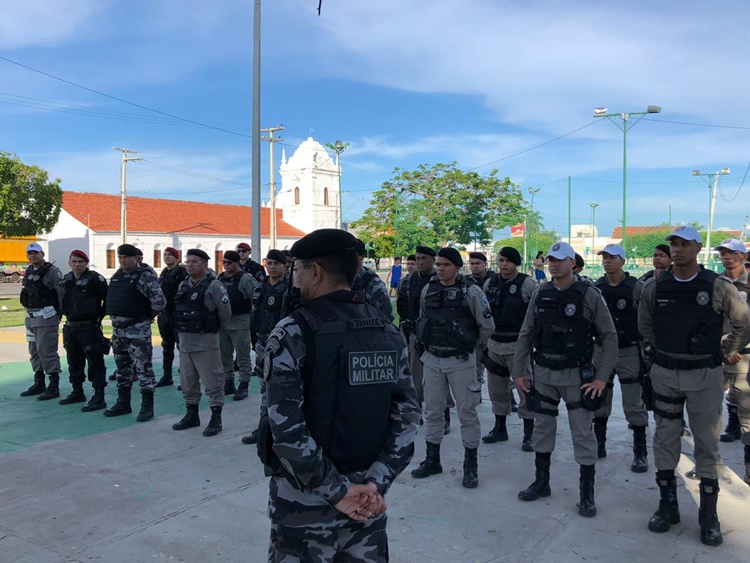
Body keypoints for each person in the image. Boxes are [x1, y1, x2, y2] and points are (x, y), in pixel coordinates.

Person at [260, 229, 419, 562]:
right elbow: (407, 416)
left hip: (305, 505)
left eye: (298, 269)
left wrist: (339, 491)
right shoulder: (386, 331)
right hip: (368, 502)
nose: (295, 279)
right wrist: (375, 482)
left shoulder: (293, 331)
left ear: (315, 272)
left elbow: (286, 430)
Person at [638, 226, 750, 546]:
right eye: (673, 244)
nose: (677, 249)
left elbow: (744, 323)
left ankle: (709, 515)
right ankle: (667, 506)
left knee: (706, 442)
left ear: (698, 248)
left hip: (704, 374)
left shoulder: (716, 286)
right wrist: (664, 349)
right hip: (665, 372)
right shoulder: (655, 286)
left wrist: (723, 349)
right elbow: (645, 323)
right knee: (665, 438)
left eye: (684, 244)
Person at [513, 241, 618, 518]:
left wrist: (602, 378)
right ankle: (542, 482)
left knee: (582, 432)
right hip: (544, 373)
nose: (554, 264)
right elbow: (526, 333)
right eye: (551, 259)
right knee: (542, 427)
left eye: (560, 260)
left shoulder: (589, 294)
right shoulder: (541, 293)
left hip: (577, 376)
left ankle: (586, 494)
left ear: (572, 263)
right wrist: (519, 372)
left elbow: (609, 336)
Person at [410, 247, 495, 488]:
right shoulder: (428, 289)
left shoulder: (471, 292)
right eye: (438, 264)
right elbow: (423, 319)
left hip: (461, 361)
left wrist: (469, 346)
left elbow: (487, 327)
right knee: (433, 411)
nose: (440, 269)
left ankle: (470, 466)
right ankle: (432, 460)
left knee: (467, 413)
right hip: (432, 359)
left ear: (457, 267)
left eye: (446, 265)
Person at [591, 244, 649, 471]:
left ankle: (640, 452)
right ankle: (599, 444)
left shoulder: (636, 287)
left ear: (623, 261)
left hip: (628, 350)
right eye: (604, 257)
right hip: (602, 350)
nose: (607, 261)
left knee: (634, 402)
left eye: (612, 257)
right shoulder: (596, 288)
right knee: (599, 398)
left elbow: (648, 318)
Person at [171, 249, 232, 437]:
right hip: (185, 343)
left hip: (206, 343)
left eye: (194, 261)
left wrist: (212, 329)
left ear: (205, 265)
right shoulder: (183, 285)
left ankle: (216, 418)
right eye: (188, 261)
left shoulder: (214, 286)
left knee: (213, 382)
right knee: (188, 383)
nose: (189, 264)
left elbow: (225, 313)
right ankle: (192, 415)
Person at [481, 247, 537, 450]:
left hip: (518, 347)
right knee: (497, 390)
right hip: (495, 344)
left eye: (508, 261)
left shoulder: (527, 284)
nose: (504, 264)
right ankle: (500, 428)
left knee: (525, 390)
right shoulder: (490, 282)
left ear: (516, 264)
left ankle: (529, 433)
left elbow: (536, 314)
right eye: (501, 260)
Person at [104, 244, 167, 421]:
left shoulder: (145, 276)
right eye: (120, 257)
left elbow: (159, 303)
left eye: (126, 257)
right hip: (119, 331)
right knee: (122, 369)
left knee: (143, 369)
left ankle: (147, 407)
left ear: (135, 258)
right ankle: (123, 403)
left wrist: (145, 318)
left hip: (137, 331)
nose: (122, 261)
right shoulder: (118, 275)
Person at [402, 246, 454, 433]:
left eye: (424, 258)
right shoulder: (410, 280)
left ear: (433, 260)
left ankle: (445, 415)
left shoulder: (441, 279)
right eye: (417, 259)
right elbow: (403, 305)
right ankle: (417, 413)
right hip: (416, 335)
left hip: (437, 335)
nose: (420, 262)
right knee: (415, 377)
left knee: (440, 378)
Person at [242, 250, 290, 445]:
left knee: (286, 387)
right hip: (263, 343)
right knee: (264, 386)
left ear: (285, 266)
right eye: (269, 263)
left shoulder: (291, 288)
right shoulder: (260, 286)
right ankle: (264, 428)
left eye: (276, 263)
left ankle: (284, 428)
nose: (272, 267)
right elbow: (255, 313)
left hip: (284, 345)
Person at [59, 250, 109, 411]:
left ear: (86, 263)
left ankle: (99, 396)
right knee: (73, 360)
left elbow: (107, 300)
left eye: (81, 262)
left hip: (89, 327)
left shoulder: (95, 278)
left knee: (95, 360)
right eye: (74, 262)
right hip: (71, 326)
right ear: (69, 263)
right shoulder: (67, 279)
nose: (77, 265)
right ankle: (77, 392)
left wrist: (98, 317)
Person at [714, 239, 750, 458]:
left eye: (732, 253)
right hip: (719, 352)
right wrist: (725, 348)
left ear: (743, 256)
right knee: (711, 406)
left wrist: (734, 346)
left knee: (746, 406)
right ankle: (710, 459)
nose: (726, 257)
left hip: (744, 354)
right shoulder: (716, 283)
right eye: (723, 253)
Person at [19, 242, 65, 400]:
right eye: (29, 253)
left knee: (47, 351)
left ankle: (53, 385)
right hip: (30, 317)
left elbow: (61, 293)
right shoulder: (29, 271)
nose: (32, 256)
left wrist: (59, 314)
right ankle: (39, 382)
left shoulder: (52, 272)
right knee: (34, 351)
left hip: (46, 317)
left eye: (35, 253)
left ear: (42, 254)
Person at [217, 250, 256, 399]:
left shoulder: (245, 279)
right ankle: (228, 383)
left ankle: (244, 384)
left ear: (237, 263)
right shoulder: (221, 277)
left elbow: (255, 299)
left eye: (229, 263)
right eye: (224, 262)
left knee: (242, 356)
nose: (226, 265)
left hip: (240, 320)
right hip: (223, 322)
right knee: (224, 356)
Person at [156, 247, 187, 387]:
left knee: (182, 347)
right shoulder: (164, 273)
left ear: (176, 258)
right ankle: (167, 376)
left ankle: (185, 378)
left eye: (170, 255)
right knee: (167, 346)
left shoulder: (181, 272)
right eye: (165, 254)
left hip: (177, 314)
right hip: (165, 315)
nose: (167, 257)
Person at [352, 238, 394, 322]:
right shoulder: (340, 279)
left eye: (352, 255)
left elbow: (387, 316)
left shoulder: (373, 283)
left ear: (361, 257)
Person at [468, 251, 494, 387]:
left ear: (485, 264)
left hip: (492, 329)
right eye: (472, 264)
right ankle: (476, 393)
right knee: (475, 367)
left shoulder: (494, 280)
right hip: (474, 330)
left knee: (498, 369)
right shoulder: (466, 282)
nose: (475, 266)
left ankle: (508, 396)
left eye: (478, 263)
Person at [395, 254, 416, 323]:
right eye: (408, 264)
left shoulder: (422, 282)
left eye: (413, 264)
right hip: (404, 319)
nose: (410, 266)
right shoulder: (402, 282)